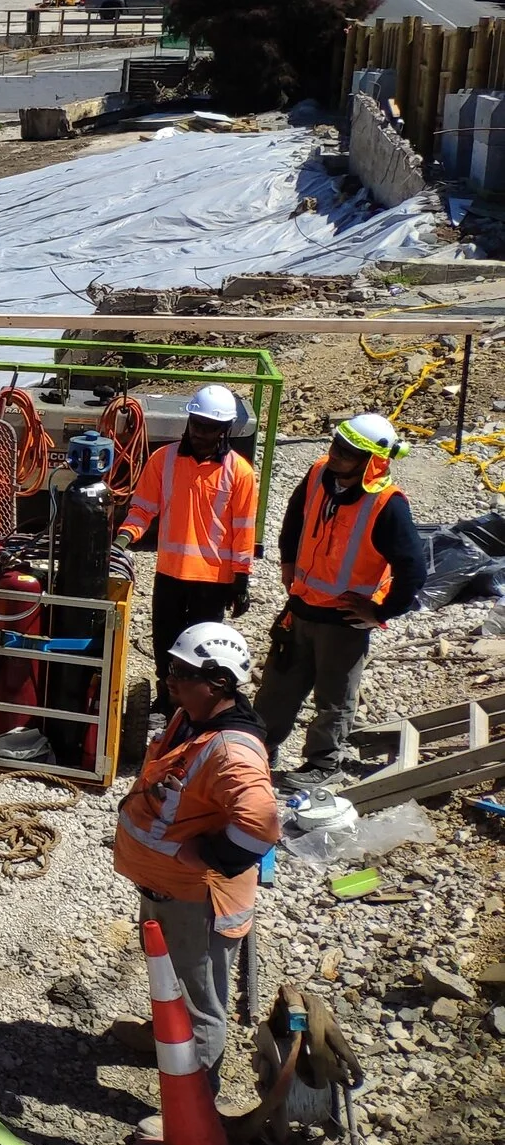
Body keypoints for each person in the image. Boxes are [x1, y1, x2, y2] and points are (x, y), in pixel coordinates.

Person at [111, 622, 281, 1088]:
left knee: (199, 1000)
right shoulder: (192, 718)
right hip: (167, 890)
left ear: (219, 681)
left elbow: (262, 826)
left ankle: (196, 1107)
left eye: (182, 673)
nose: (169, 680)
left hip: (198, 901)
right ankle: (165, 1035)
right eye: (171, 669)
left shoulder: (232, 751)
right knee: (169, 978)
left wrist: (208, 856)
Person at [257, 414, 426, 784]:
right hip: (301, 606)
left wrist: (382, 610)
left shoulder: (387, 504)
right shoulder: (320, 473)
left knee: (333, 698)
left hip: (343, 621)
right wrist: (287, 559)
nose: (336, 456)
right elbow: (294, 517)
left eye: (347, 453)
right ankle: (258, 749)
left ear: (371, 461)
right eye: (336, 447)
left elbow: (413, 568)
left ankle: (323, 764)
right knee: (278, 686)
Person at [114, 385, 260, 678]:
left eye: (209, 427)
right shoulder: (163, 460)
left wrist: (241, 579)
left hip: (214, 580)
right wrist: (123, 538)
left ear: (224, 429)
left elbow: (243, 530)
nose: (199, 432)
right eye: (196, 424)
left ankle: (191, 710)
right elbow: (142, 509)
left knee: (201, 650)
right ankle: (166, 701)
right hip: (170, 574)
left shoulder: (240, 472)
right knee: (165, 643)